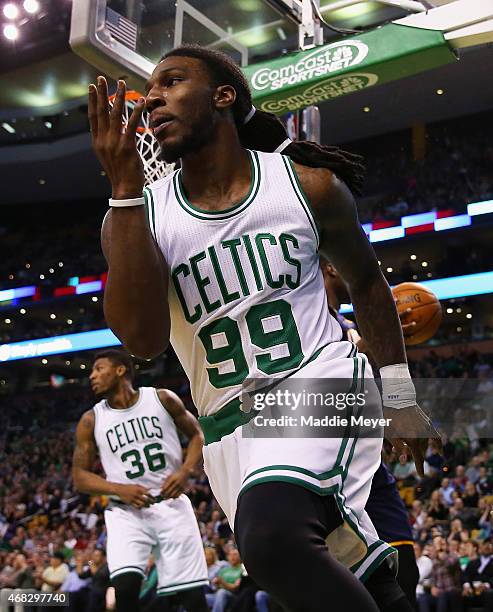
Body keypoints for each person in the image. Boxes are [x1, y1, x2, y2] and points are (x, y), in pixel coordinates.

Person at [89, 44, 440, 612]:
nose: (152, 97)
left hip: (318, 380)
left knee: (272, 539)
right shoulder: (137, 217)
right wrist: (125, 192)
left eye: (172, 82)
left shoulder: (307, 186)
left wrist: (399, 399)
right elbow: (144, 342)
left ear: (224, 96)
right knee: (364, 582)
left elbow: (370, 287)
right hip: (227, 427)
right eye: (149, 91)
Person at [72, 349, 208, 611]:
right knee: (125, 588)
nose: (92, 376)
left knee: (192, 596)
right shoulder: (90, 420)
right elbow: (79, 477)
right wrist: (117, 489)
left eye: (99, 369)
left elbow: (197, 435)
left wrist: (185, 471)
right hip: (126, 512)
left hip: (171, 504)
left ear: (120, 370)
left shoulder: (161, 398)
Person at [320, 255, 420, 609]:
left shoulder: (346, 324)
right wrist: (380, 337)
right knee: (347, 584)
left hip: (367, 465)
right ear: (332, 266)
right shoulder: (309, 319)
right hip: (322, 468)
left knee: (405, 571)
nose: (372, 268)